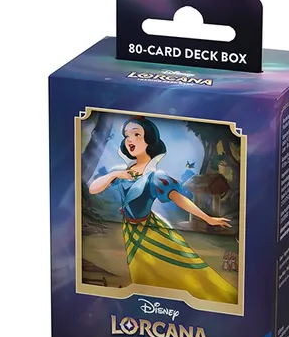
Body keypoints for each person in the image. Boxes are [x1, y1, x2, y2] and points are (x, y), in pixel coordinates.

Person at [89, 116, 237, 304]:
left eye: (136, 134)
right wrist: (116, 174)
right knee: (140, 268)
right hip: (130, 230)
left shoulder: (156, 176)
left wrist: (207, 218)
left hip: (151, 231)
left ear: (149, 140)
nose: (130, 139)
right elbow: (93, 189)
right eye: (127, 135)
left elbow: (178, 198)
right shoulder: (121, 171)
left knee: (177, 265)